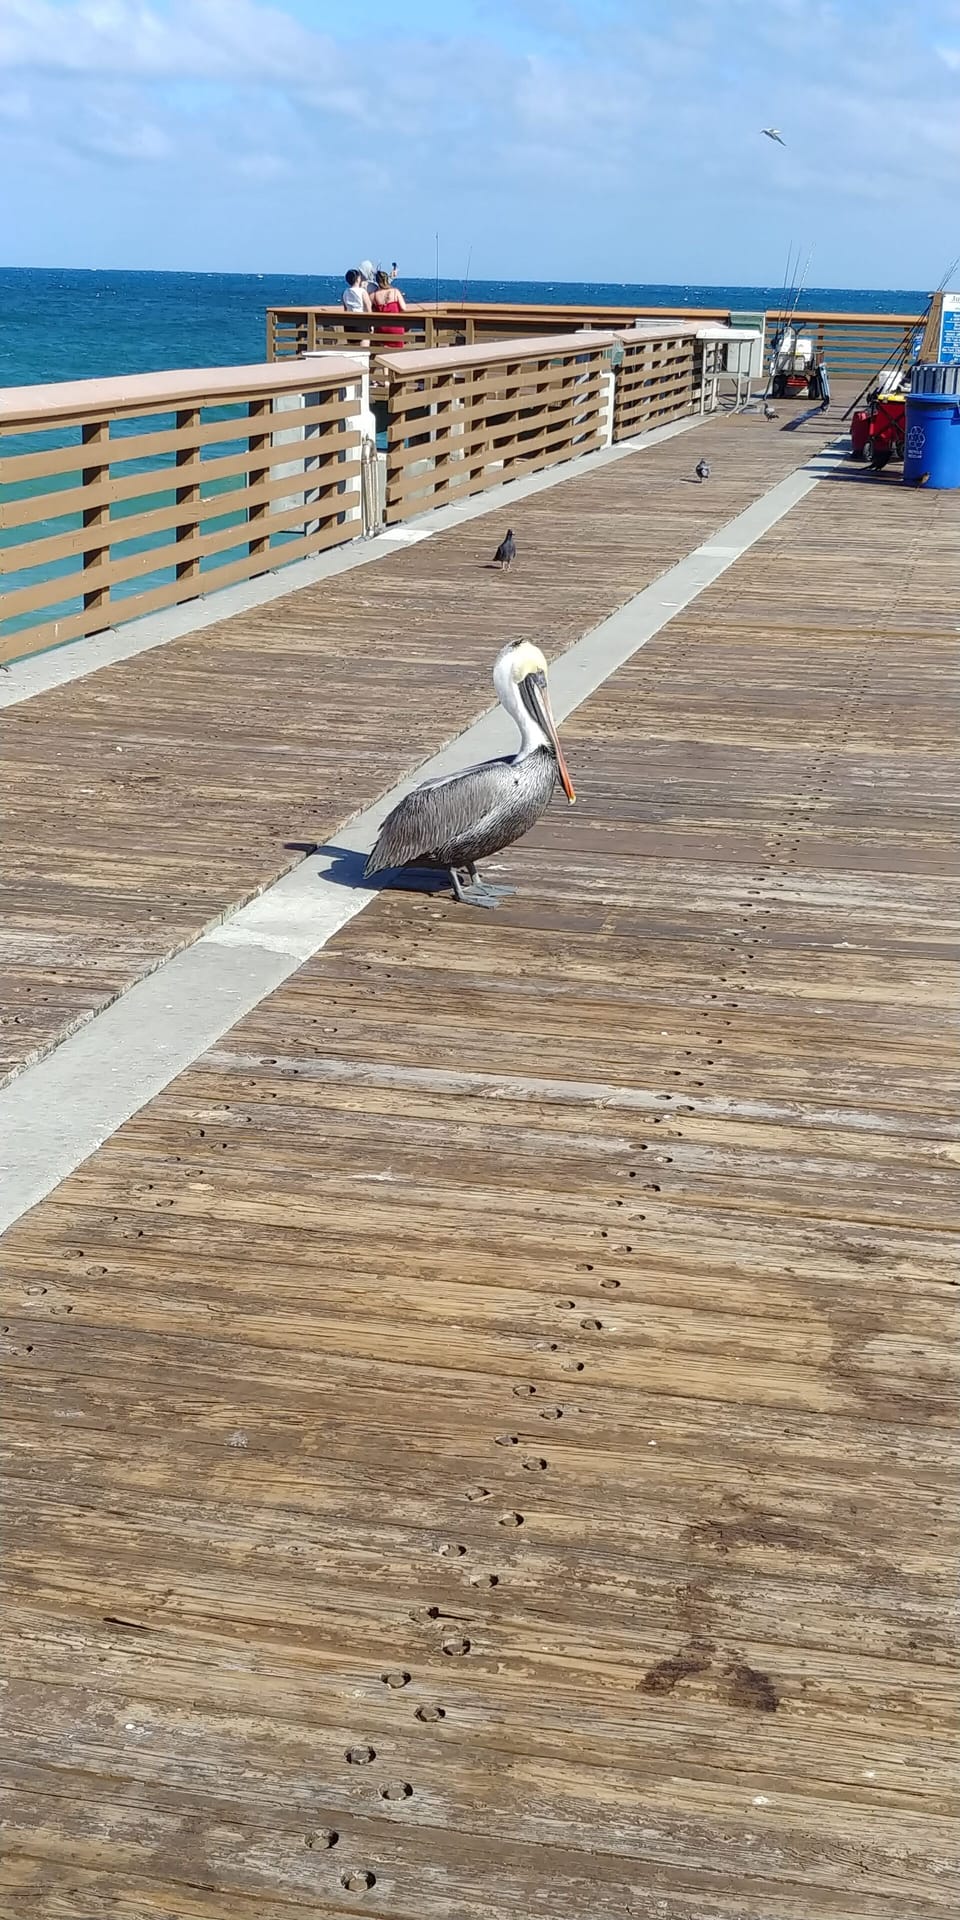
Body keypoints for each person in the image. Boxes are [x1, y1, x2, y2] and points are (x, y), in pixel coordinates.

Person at [370, 268, 406, 347]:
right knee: (397, 355)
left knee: (381, 354)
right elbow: (403, 308)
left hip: (381, 329)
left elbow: (369, 311)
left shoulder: (373, 296)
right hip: (396, 327)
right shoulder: (395, 291)